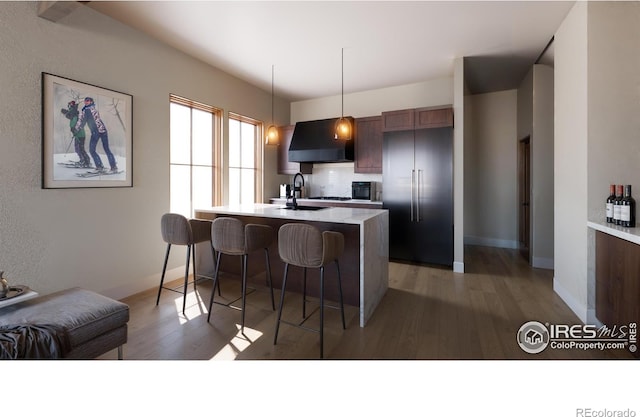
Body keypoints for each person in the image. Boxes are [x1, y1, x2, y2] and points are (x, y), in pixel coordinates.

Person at [73, 97, 118, 172]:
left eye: (88, 101)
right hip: (103, 130)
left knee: (92, 150)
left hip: (96, 132)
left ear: (91, 102)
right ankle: (113, 167)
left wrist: (77, 129)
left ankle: (100, 166)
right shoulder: (93, 109)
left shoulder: (87, 110)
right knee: (106, 149)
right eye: (85, 101)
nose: (86, 102)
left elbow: (83, 121)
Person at [61, 100, 91, 168]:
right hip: (78, 134)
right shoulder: (73, 112)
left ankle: (85, 161)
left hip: (80, 135)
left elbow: (73, 120)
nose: (69, 106)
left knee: (80, 149)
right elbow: (70, 116)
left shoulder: (74, 113)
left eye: (69, 105)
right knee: (78, 148)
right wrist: (65, 112)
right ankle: (84, 160)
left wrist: (72, 128)